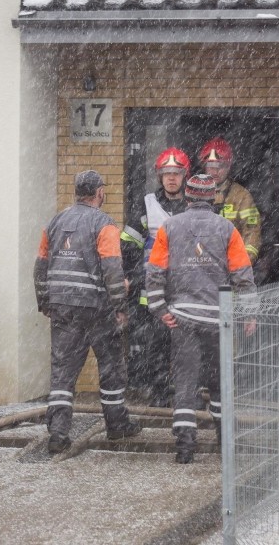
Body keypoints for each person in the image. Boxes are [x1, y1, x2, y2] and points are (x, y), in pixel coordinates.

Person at [145, 174, 258, 464]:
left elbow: (154, 272)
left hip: (182, 319)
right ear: (212, 198)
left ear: (188, 196)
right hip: (218, 319)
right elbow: (243, 275)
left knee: (185, 382)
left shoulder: (170, 227)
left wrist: (160, 310)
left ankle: (185, 447)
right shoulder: (227, 229)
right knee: (220, 381)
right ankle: (224, 441)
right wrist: (249, 313)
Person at [34, 169, 142, 453]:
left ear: (76, 193)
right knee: (111, 367)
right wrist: (120, 306)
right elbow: (111, 268)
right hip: (97, 308)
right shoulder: (104, 224)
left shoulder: (55, 222)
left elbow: (40, 266)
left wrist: (44, 300)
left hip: (62, 307)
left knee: (63, 371)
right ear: (99, 193)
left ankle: (58, 433)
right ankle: (117, 427)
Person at [120, 147, 190, 407]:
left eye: (176, 173)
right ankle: (159, 394)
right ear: (159, 176)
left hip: (185, 289)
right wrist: (129, 276)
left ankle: (185, 395)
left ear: (185, 175)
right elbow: (129, 243)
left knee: (186, 346)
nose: (171, 178)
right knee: (156, 345)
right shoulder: (147, 204)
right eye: (166, 173)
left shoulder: (194, 204)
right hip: (153, 289)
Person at [199, 137, 262, 265]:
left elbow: (252, 233)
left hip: (231, 269)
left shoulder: (241, 196)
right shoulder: (195, 194)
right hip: (200, 269)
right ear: (204, 167)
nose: (215, 171)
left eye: (220, 166)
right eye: (211, 166)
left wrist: (241, 264)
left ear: (228, 167)